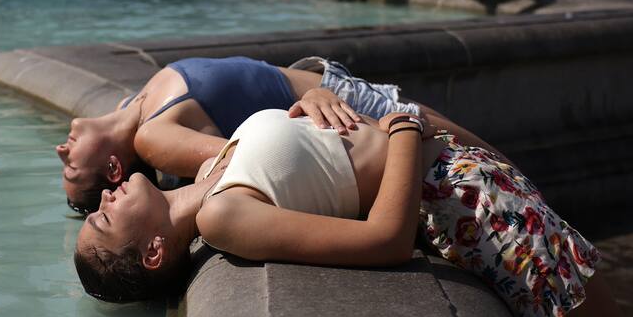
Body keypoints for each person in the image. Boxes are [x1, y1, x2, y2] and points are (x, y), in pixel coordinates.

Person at [74, 107, 633, 317]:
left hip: (471, 185)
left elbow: (308, 155)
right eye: (104, 217)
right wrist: (405, 129)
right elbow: (383, 241)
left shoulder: (207, 171)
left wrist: (321, 99)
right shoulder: (221, 217)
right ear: (154, 252)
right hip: (472, 211)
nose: (106, 194)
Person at [57, 56, 438, 213]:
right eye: (71, 168)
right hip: (344, 112)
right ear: (112, 169)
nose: (61, 150)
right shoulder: (151, 137)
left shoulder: (132, 105)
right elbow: (242, 158)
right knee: (484, 159)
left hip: (331, 90)